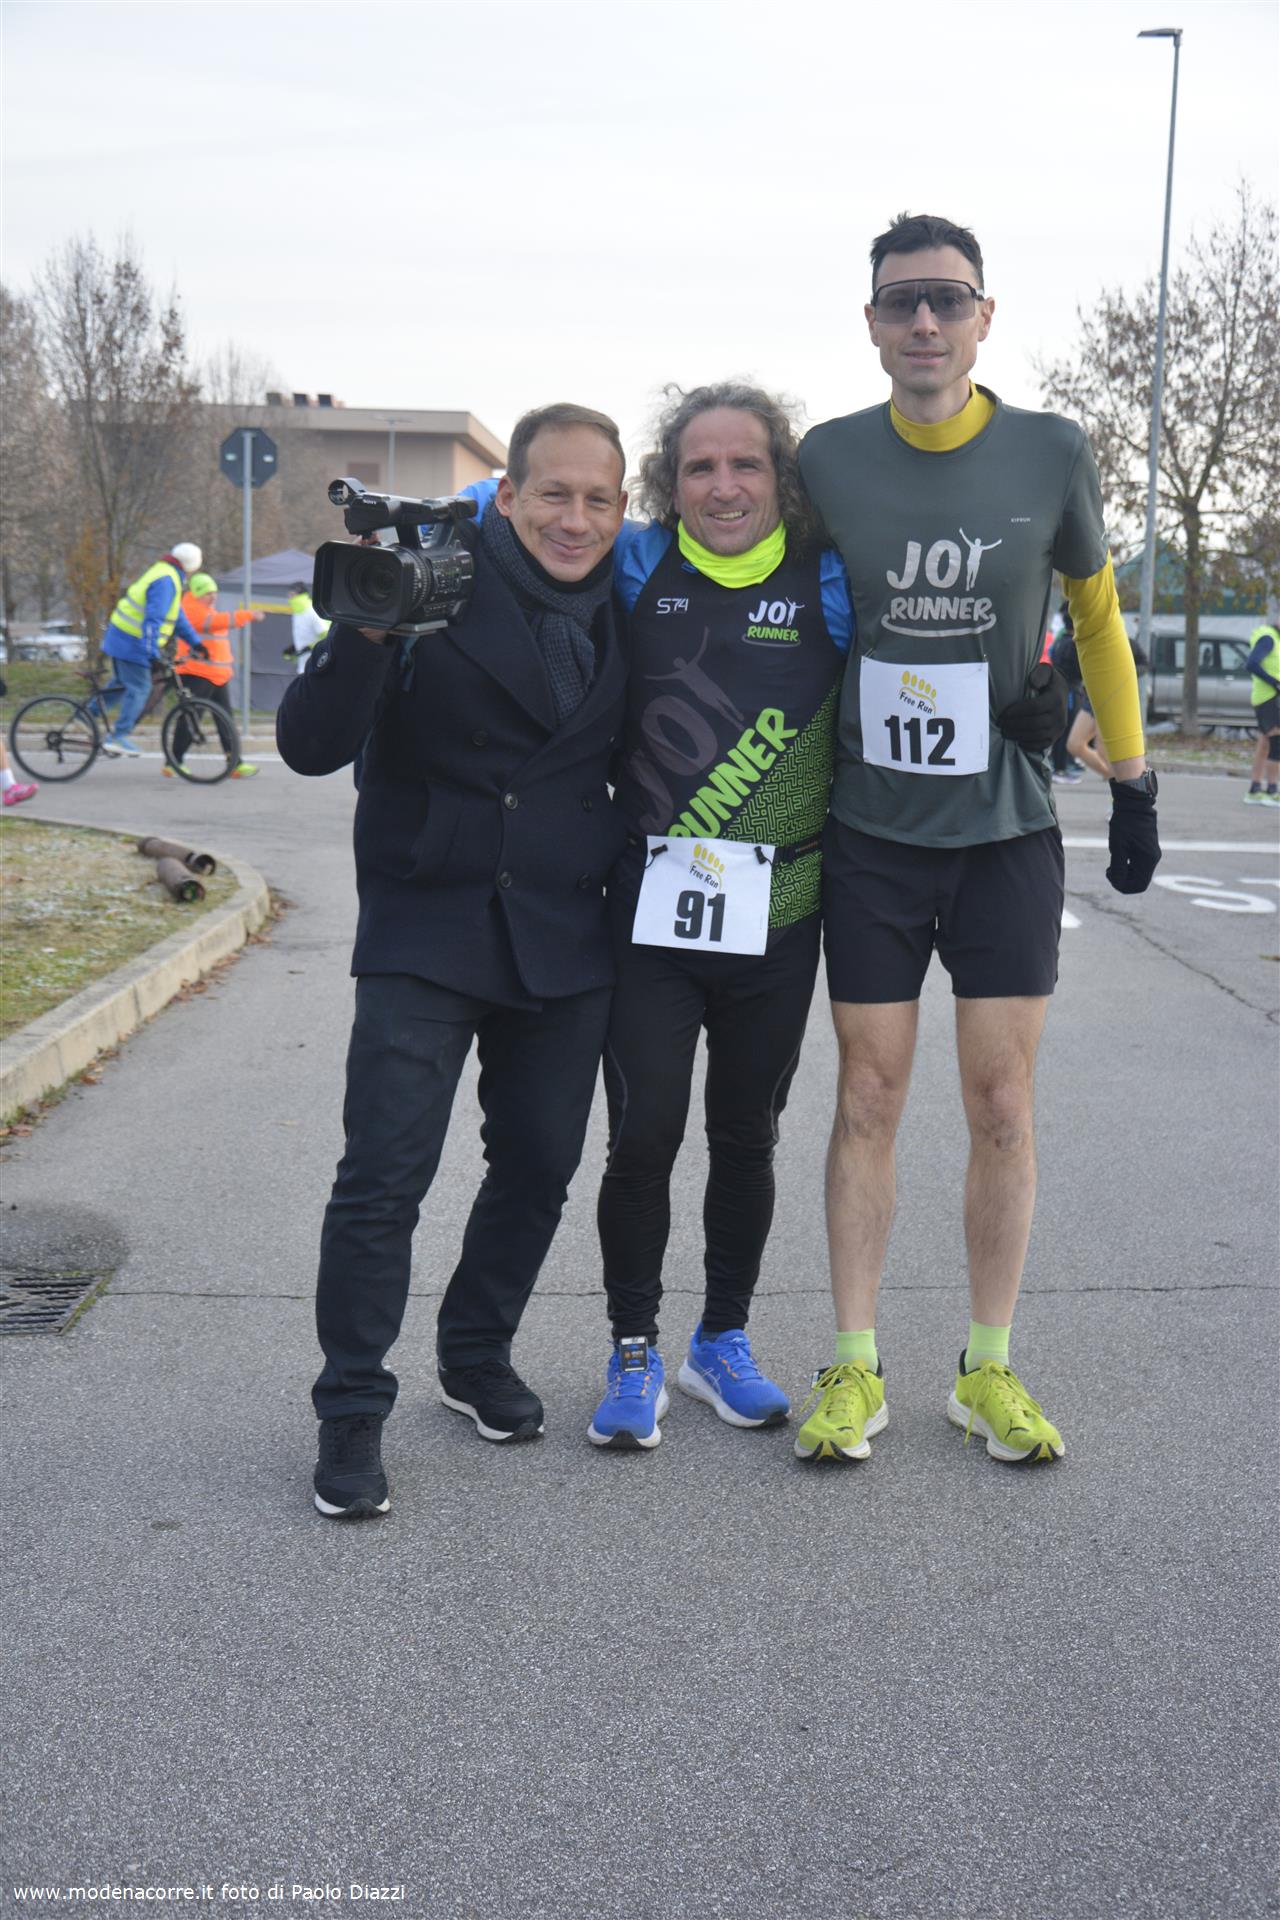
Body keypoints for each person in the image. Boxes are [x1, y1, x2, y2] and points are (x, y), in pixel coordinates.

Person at [797, 210, 1160, 1466]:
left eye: (946, 299)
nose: (924, 321)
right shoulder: (827, 458)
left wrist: (1130, 778)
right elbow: (788, 611)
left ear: (983, 318)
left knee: (1000, 1101)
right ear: (869, 322)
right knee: (867, 1092)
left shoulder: (1050, 451)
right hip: (871, 831)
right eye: (900, 301)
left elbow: (1095, 618)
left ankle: (985, 1367)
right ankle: (853, 1367)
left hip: (1004, 828)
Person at [276, 402, 631, 1519]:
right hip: (429, 919)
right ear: (507, 495)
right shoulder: (430, 576)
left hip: (565, 929)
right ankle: (350, 1407)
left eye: (597, 499)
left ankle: (474, 1352)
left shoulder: (632, 601)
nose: (573, 519)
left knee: (539, 1164)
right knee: (384, 1175)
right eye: (553, 493)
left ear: (621, 508)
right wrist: (364, 632)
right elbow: (310, 746)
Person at [586, 385, 854, 1449]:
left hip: (780, 915)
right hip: (652, 912)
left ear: (780, 476)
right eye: (700, 466)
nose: (724, 486)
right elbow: (520, 521)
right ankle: (633, 1349)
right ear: (671, 481)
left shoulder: (827, 577)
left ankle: (720, 1340)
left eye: (746, 464)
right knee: (642, 1134)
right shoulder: (639, 562)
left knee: (746, 1136)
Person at [99, 543, 207, 756]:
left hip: (122, 637)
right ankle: (118, 736)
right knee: (140, 687)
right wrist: (152, 655)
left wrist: (195, 642)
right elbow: (153, 620)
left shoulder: (165, 572)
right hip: (131, 641)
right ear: (192, 566)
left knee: (121, 685)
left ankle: (84, 717)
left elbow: (175, 615)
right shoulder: (167, 581)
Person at [168, 571, 263, 779]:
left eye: (214, 592)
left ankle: (234, 762)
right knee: (191, 720)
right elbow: (216, 622)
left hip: (217, 674)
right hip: (196, 673)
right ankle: (174, 762)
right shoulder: (190, 609)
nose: (213, 596)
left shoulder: (206, 608)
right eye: (207, 593)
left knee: (225, 719)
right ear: (196, 594)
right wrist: (247, 615)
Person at [1243, 617, 1280, 805]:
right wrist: (1275, 683)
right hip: (1268, 698)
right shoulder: (1268, 638)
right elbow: (1251, 663)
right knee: (1276, 742)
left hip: (1267, 698)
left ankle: (1255, 789)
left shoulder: (1274, 638)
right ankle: (1272, 791)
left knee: (1265, 742)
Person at [287, 583, 329, 675]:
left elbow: (326, 634)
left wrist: (310, 647)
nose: (289, 597)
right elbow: (304, 633)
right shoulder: (297, 612)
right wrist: (295, 647)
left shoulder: (311, 611)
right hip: (304, 665)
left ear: (301, 594)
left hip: (316, 663)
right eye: (289, 594)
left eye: (292, 594)